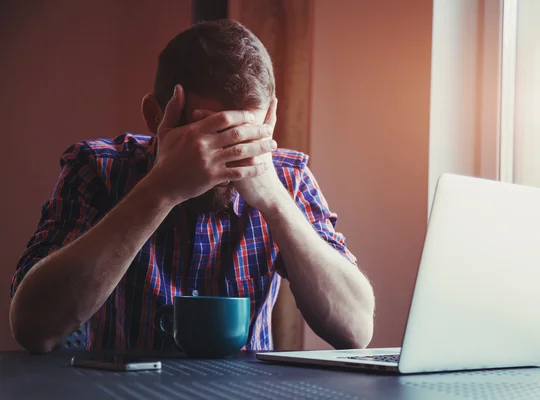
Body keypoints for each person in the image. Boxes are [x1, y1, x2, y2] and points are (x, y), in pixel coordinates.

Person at [9, 19, 375, 353]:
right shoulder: (97, 168)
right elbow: (32, 327)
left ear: (270, 118)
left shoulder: (289, 178)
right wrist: (161, 190)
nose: (227, 158)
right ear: (156, 116)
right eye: (211, 134)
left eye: (248, 135)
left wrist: (275, 201)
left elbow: (356, 330)